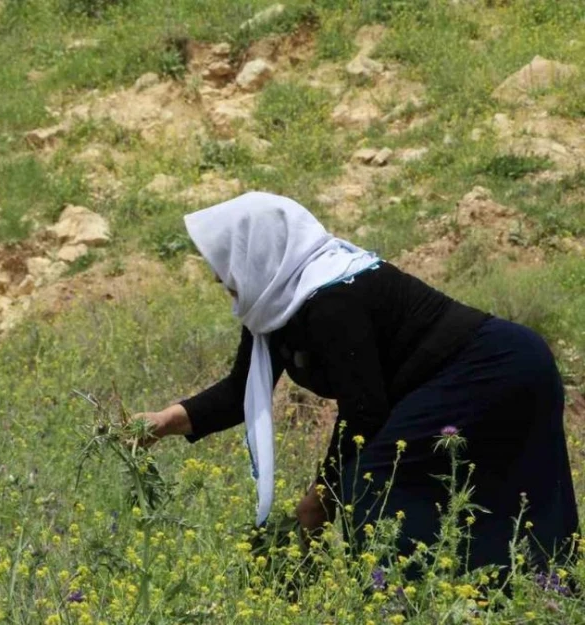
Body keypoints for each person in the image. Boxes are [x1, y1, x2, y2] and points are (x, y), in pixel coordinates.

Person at [138, 191, 578, 571]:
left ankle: (402, 599)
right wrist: (161, 422)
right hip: (472, 374)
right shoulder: (275, 303)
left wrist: (320, 497)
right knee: (377, 486)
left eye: (224, 262)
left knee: (368, 484)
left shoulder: (332, 298)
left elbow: (364, 412)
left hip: (496, 369)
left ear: (257, 253)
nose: (219, 276)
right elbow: (239, 394)